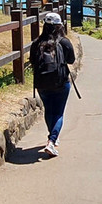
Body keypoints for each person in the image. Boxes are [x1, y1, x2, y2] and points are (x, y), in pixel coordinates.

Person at [30, 11, 76, 157]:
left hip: (41, 83)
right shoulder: (64, 42)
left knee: (49, 111)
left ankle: (52, 137)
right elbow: (71, 60)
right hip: (61, 82)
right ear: (59, 26)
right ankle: (52, 141)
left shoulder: (36, 43)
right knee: (58, 113)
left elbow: (32, 61)